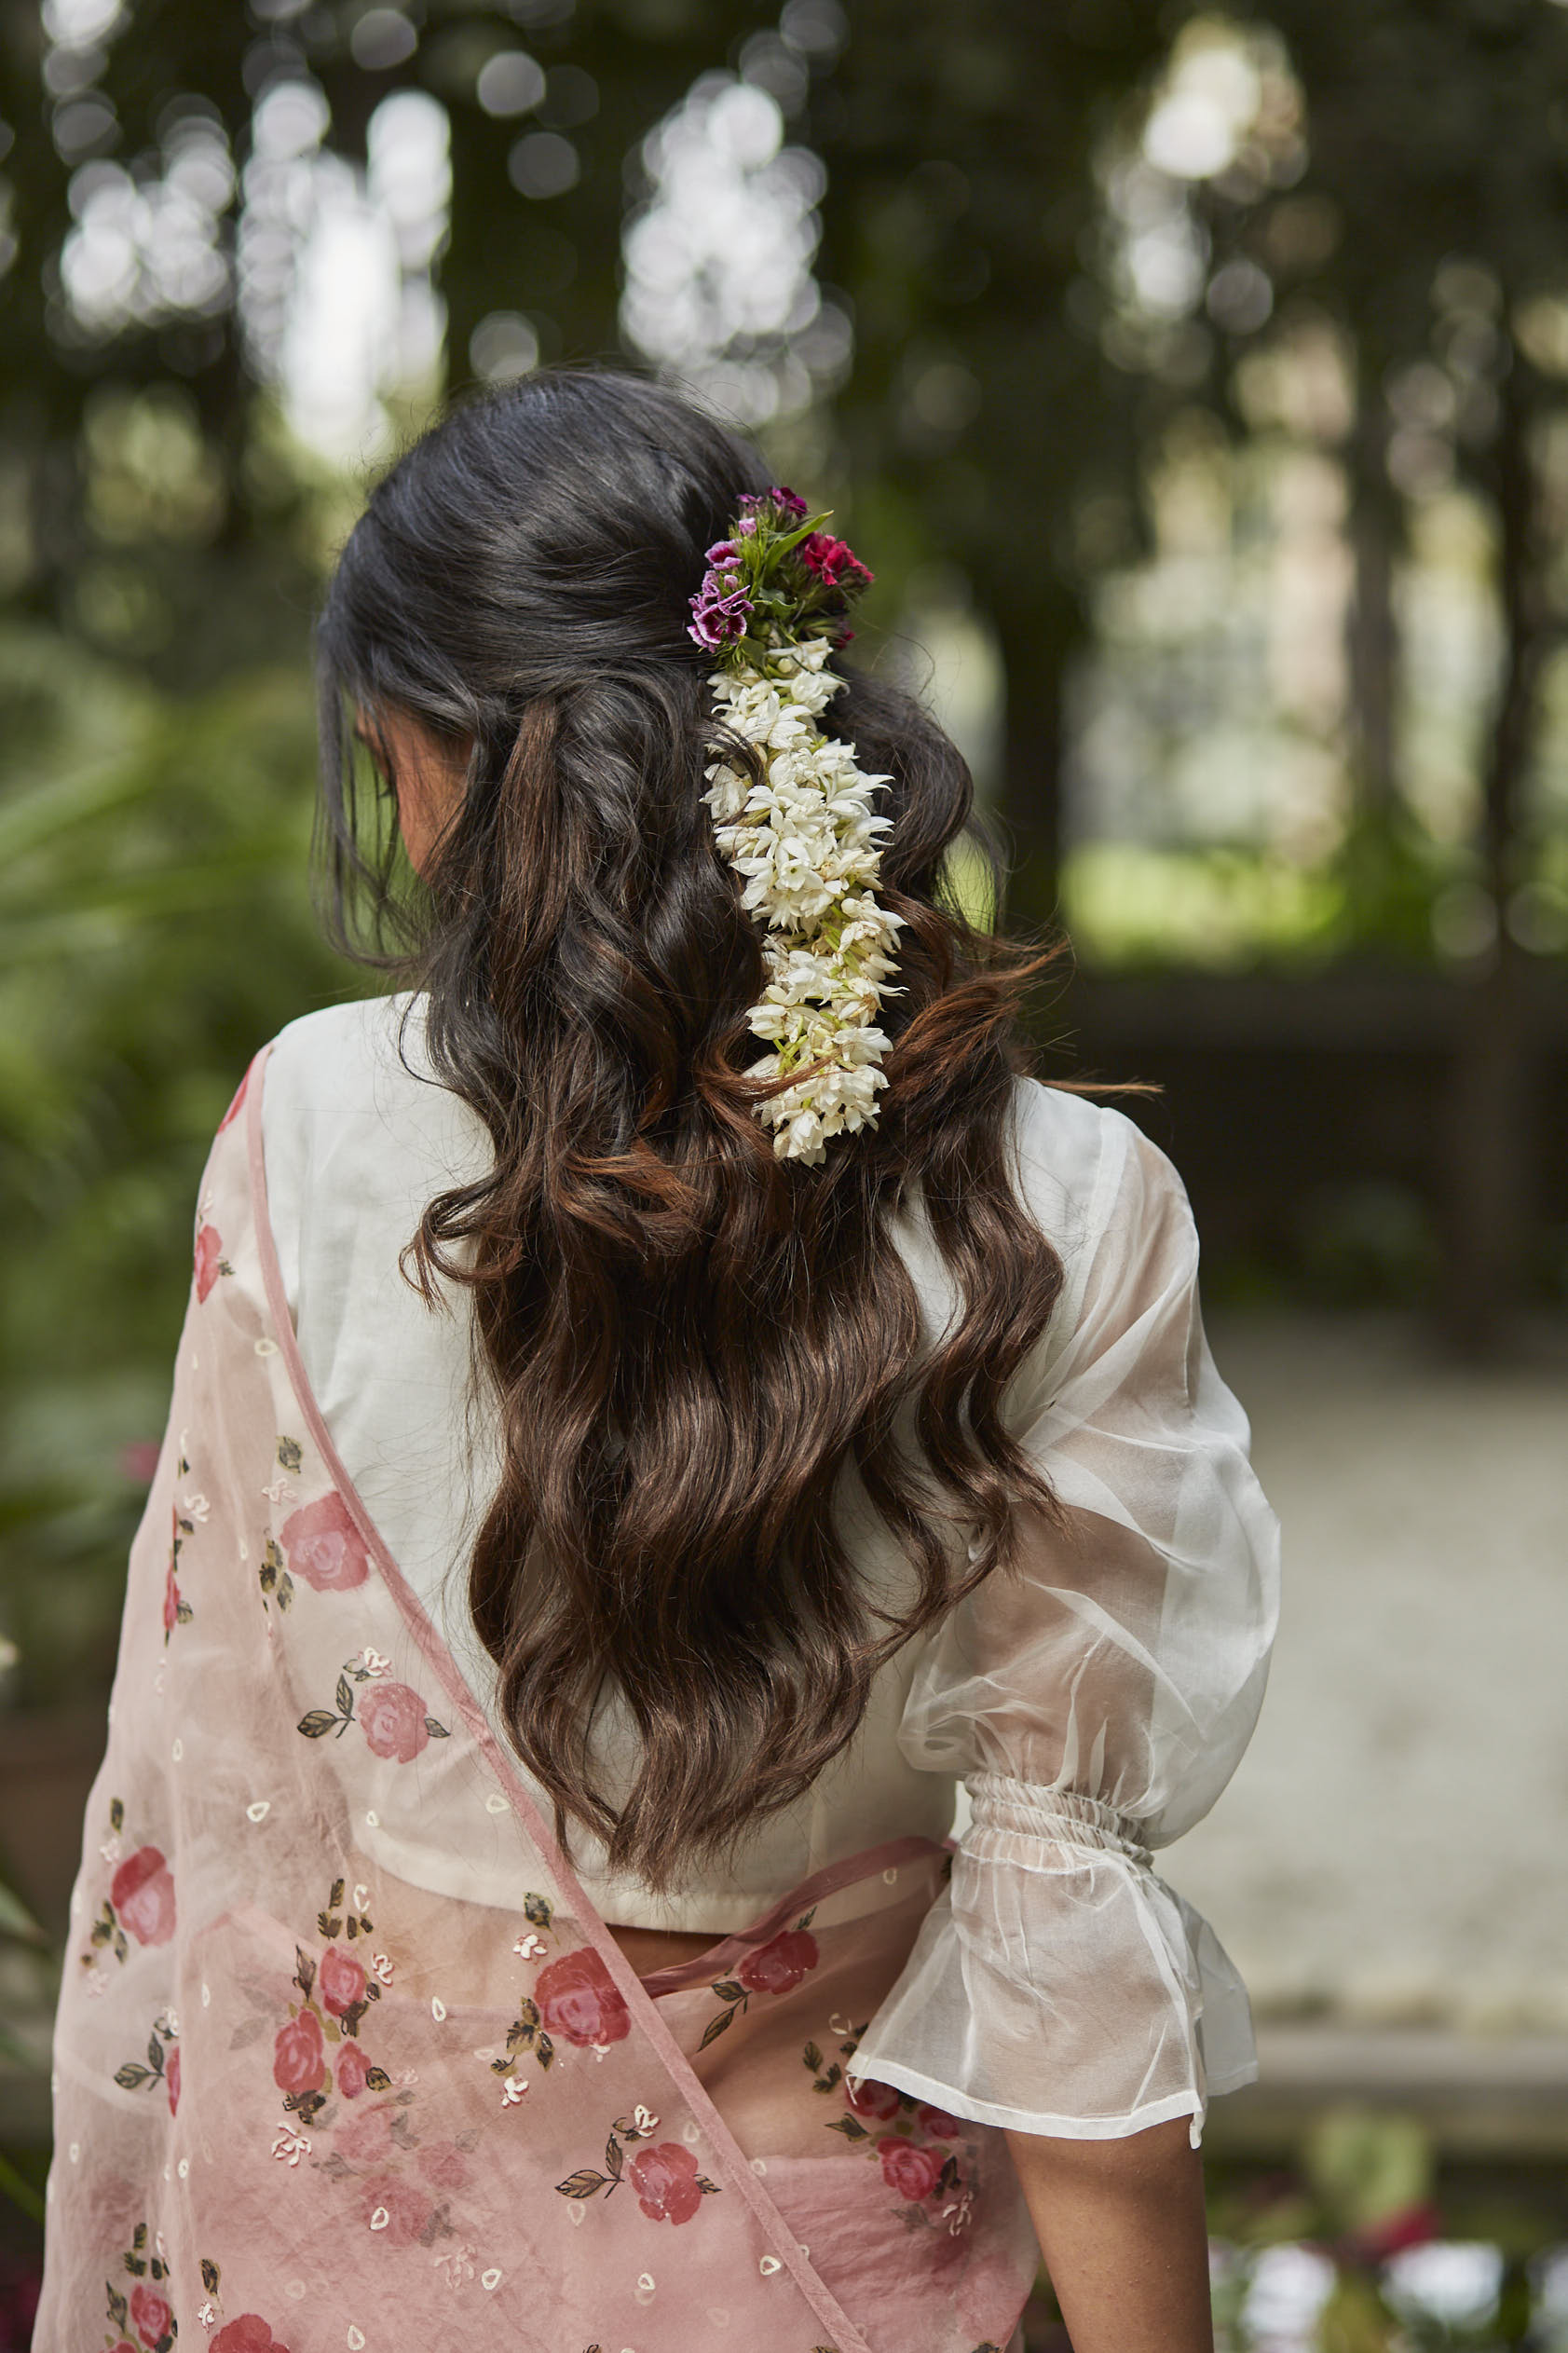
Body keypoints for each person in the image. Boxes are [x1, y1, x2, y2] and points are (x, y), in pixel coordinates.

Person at [37, 369, 1278, 2353]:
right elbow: (1061, 1902)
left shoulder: (307, 1126)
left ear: (426, 752)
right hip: (831, 2270)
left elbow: (216, 1778)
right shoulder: (1071, 1200)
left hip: (358, 2245)